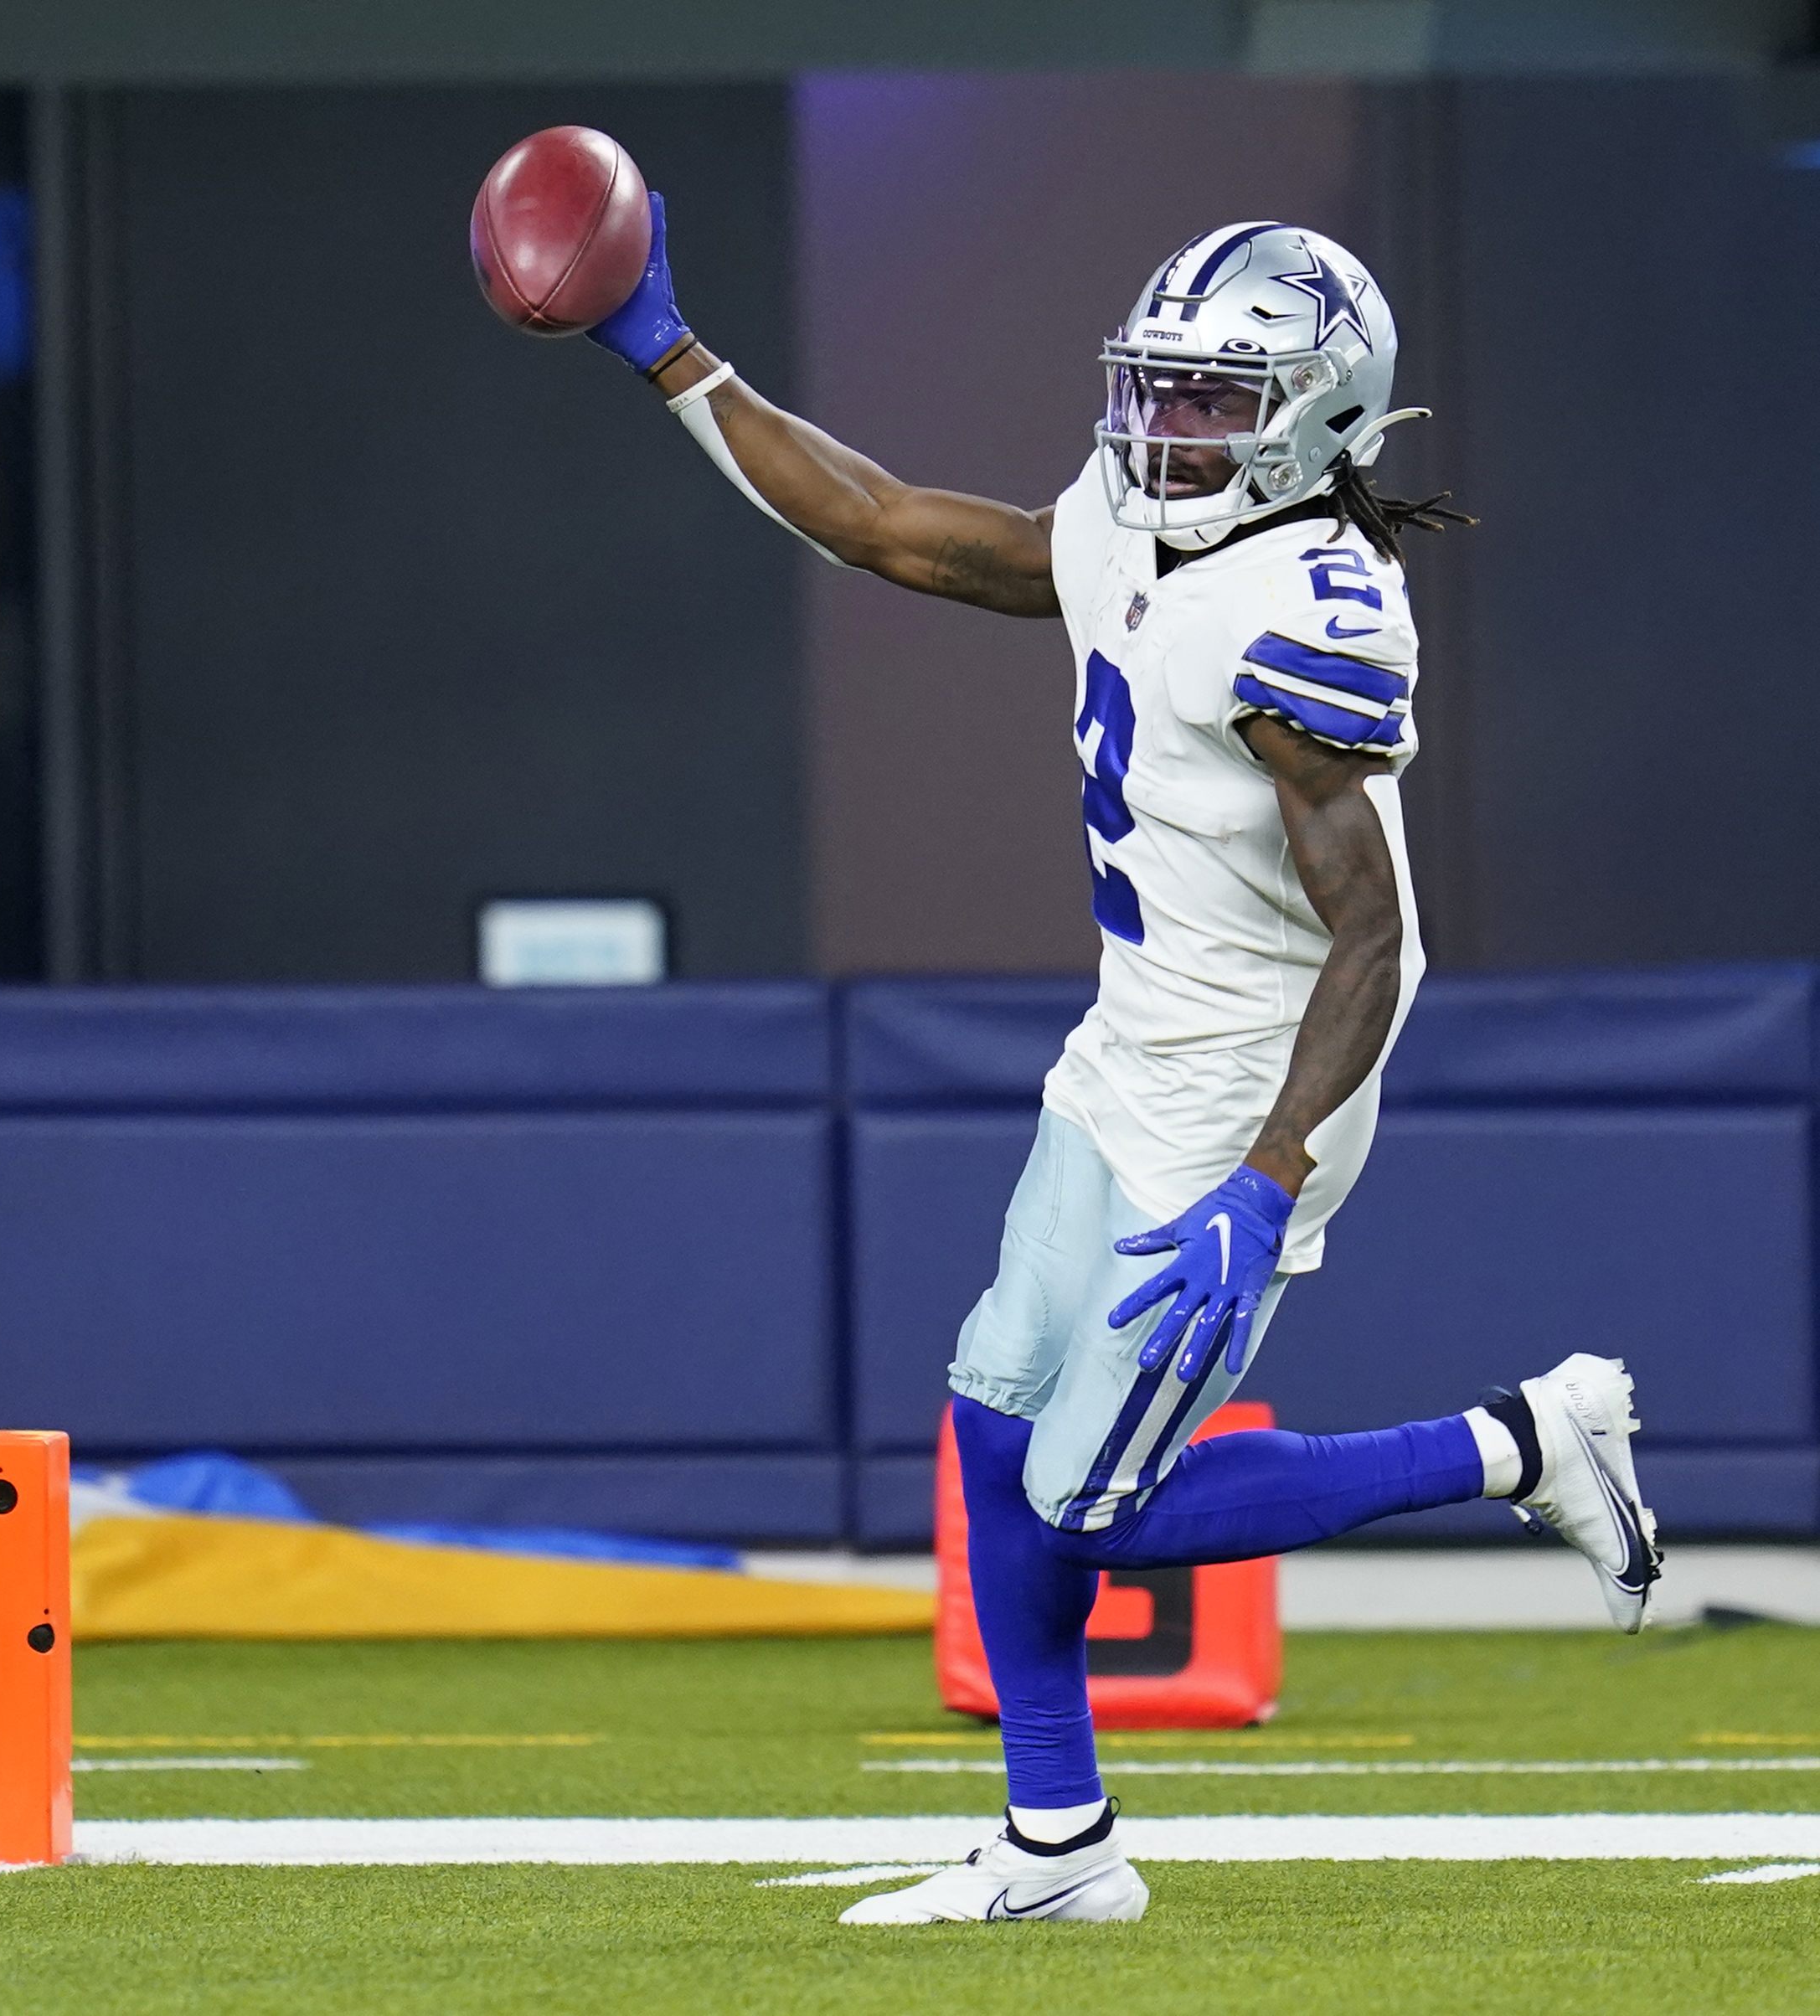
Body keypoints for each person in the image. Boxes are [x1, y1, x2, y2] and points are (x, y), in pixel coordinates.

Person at [579, 208, 1659, 1923]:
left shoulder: (1308, 617)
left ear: (1318, 417)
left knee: (1101, 1507)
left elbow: (1378, 943)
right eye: (1159, 387)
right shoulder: (1129, 525)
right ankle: (1060, 1844)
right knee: (993, 1418)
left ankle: (1524, 1442)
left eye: (1216, 400)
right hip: (1133, 1033)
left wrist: (1272, 1171)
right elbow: (888, 529)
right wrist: (670, 353)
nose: (1167, 427)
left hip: (1252, 1079)